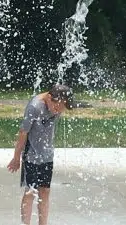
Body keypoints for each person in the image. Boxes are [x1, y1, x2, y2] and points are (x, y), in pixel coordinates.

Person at [7, 84, 76, 225]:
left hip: (47, 155)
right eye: (57, 108)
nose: (57, 112)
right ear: (49, 98)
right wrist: (16, 158)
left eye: (61, 110)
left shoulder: (59, 101)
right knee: (30, 191)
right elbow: (23, 132)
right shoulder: (34, 107)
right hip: (31, 155)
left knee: (45, 191)